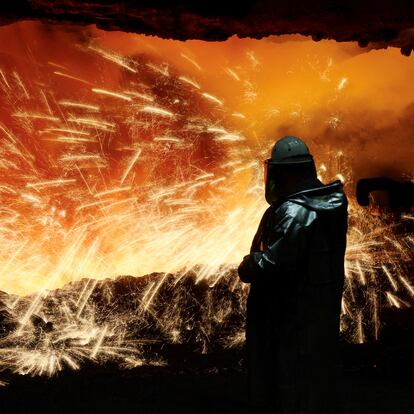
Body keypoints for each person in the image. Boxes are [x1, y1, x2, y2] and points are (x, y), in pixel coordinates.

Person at [238, 136, 348, 414]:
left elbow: (276, 262)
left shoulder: (294, 210)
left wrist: (250, 264)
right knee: (313, 377)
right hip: (317, 307)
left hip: (290, 312)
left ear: (283, 172)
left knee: (287, 379)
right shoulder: (327, 203)